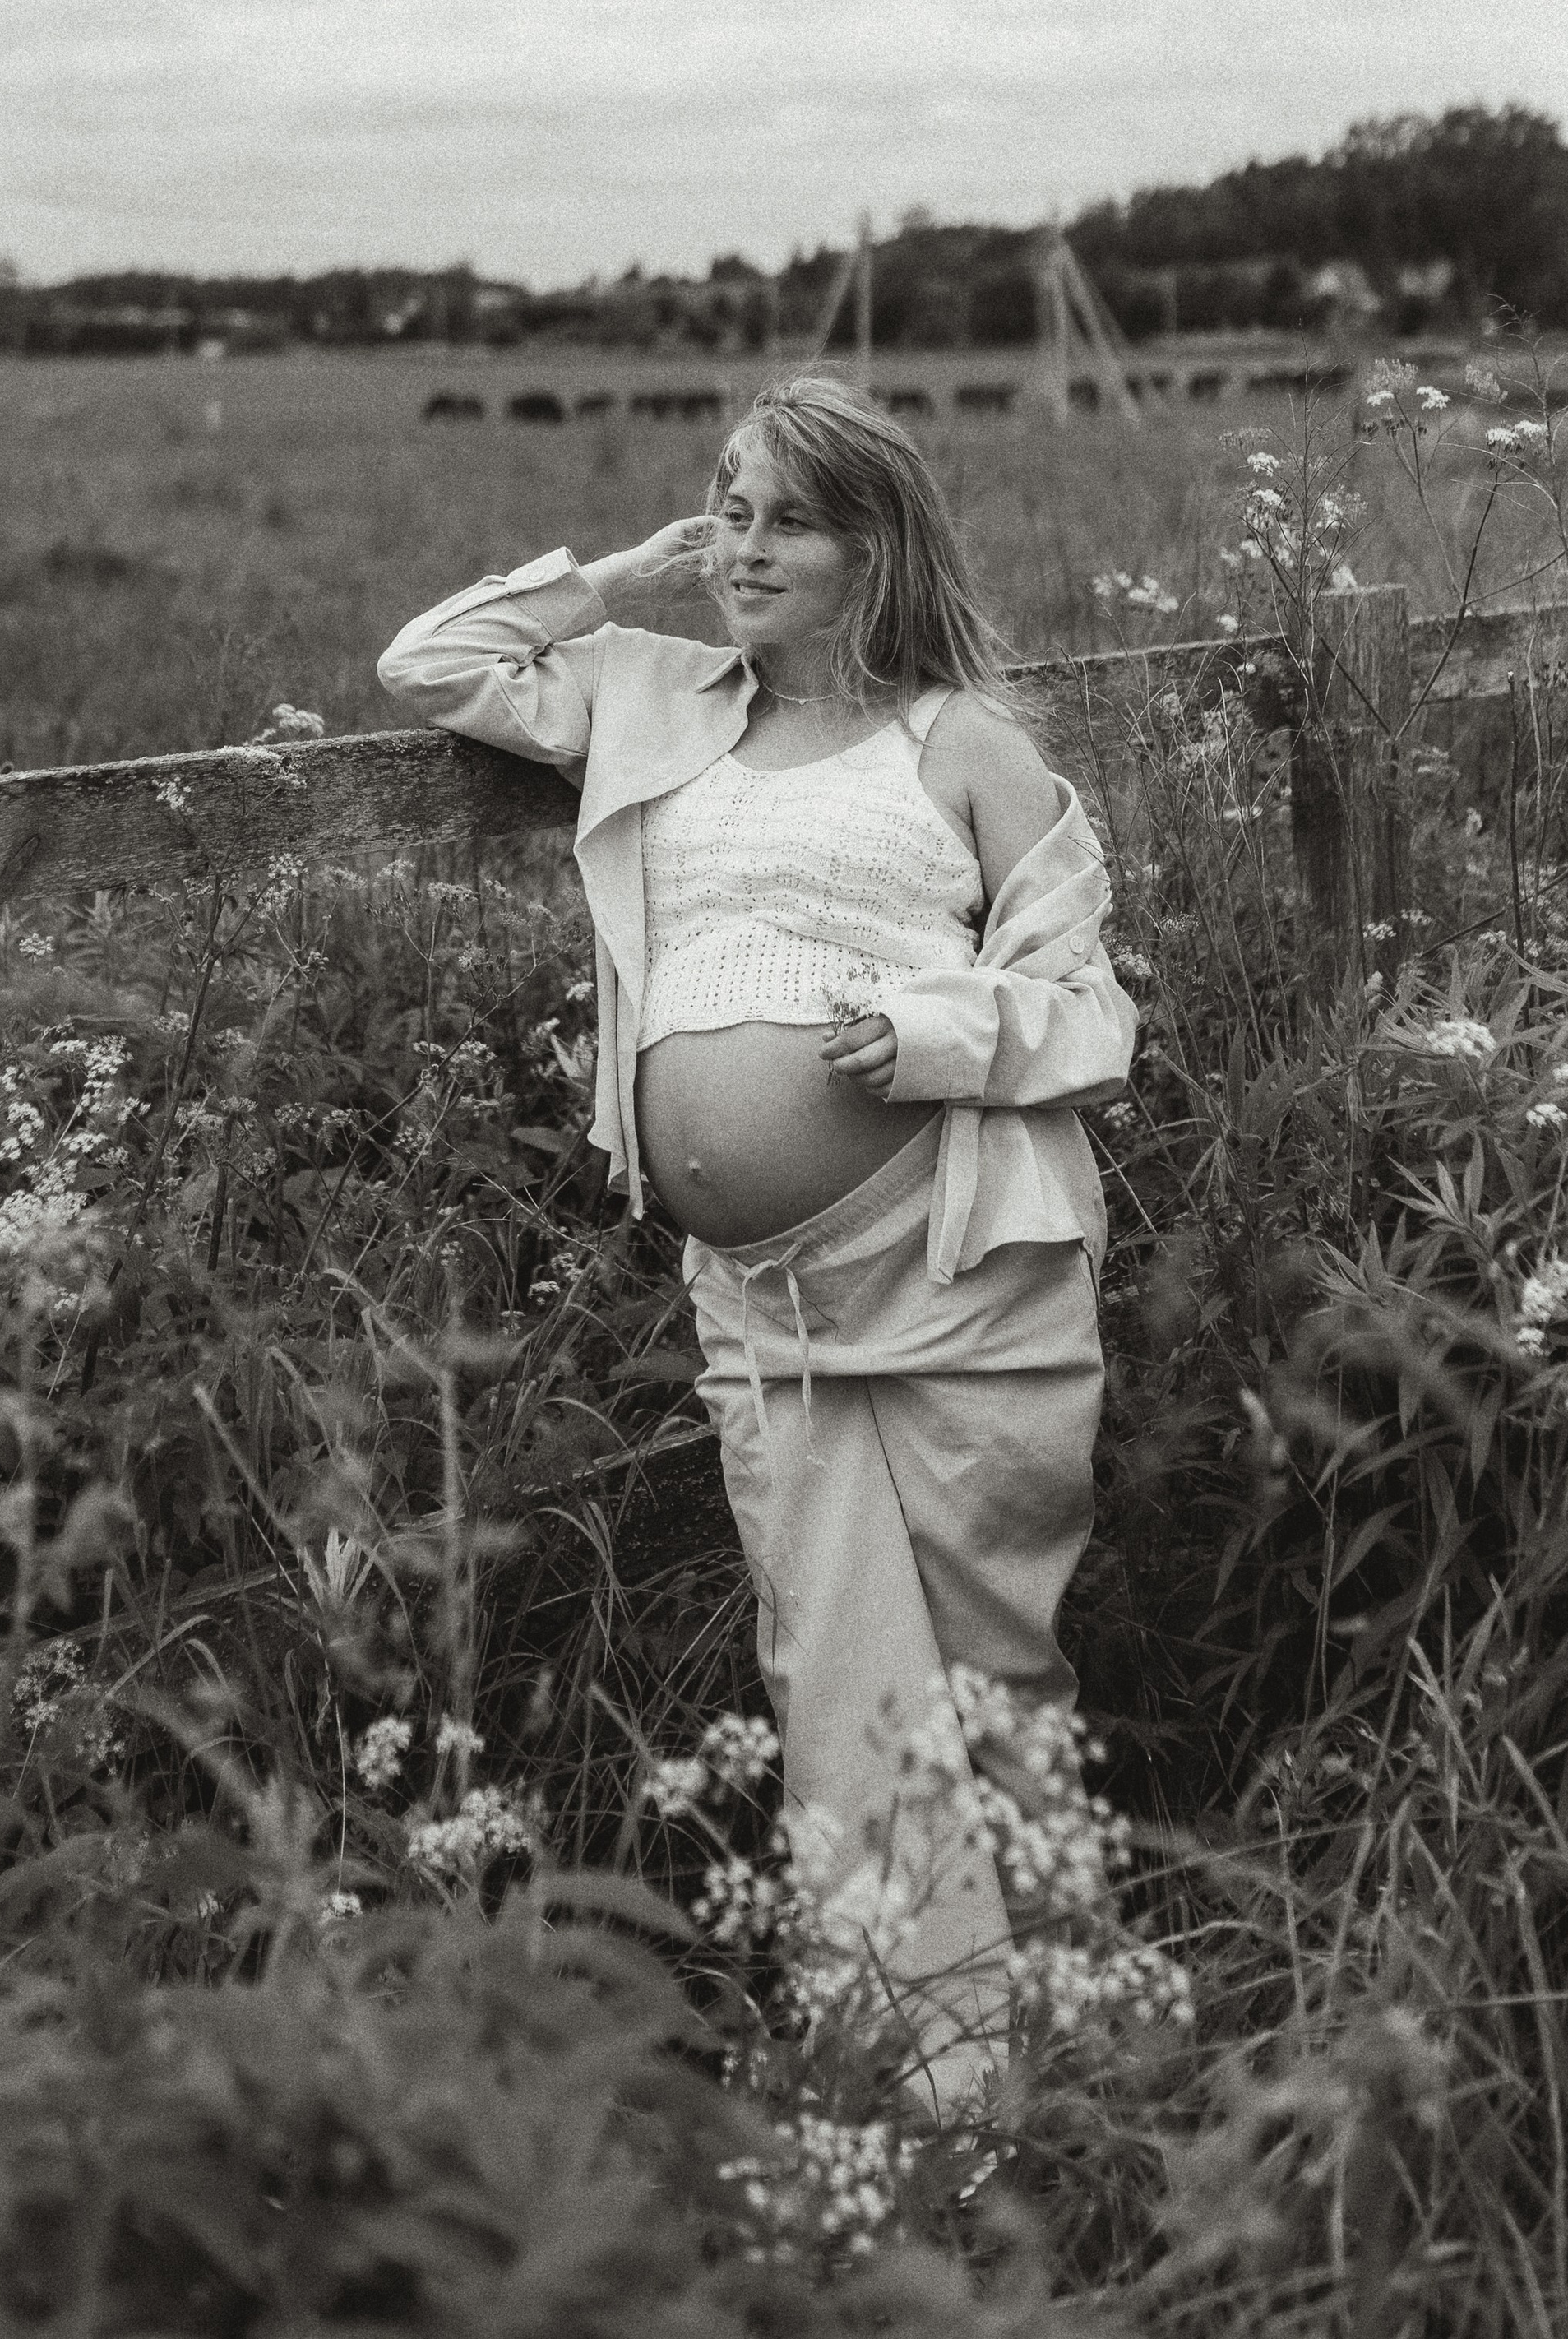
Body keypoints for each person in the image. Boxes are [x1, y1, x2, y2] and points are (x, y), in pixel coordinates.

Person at [376, 373, 1136, 2109]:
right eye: (724, 505)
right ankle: (927, 2070)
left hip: (951, 1269)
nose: (739, 543)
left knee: (979, 1661)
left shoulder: (965, 747)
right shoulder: (647, 699)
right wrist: (618, 576)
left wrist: (939, 1038)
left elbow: (1089, 1010)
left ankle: (1046, 2038)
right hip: (762, 1294)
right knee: (827, 1660)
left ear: (878, 545)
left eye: (783, 517)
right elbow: (426, 663)